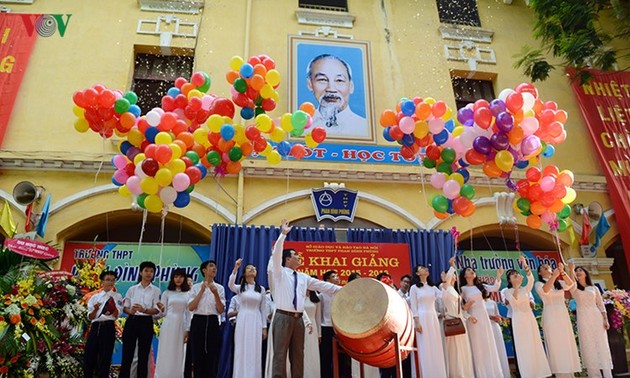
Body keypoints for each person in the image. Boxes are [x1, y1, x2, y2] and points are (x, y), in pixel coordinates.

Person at [270, 219, 342, 378]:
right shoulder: (279, 272)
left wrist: (345, 290)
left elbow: (325, 286)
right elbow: (276, 254)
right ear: (288, 259)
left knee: (298, 356)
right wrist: (283, 234)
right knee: (280, 356)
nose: (299, 257)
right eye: (295, 255)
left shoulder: (304, 277)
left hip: (299, 319)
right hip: (282, 316)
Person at [503, 257, 551, 378]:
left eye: (517, 274)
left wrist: (525, 264)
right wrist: (517, 287)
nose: (516, 275)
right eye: (512, 275)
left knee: (534, 344)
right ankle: (527, 373)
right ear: (509, 279)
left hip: (529, 318)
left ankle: (539, 372)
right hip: (518, 319)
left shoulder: (526, 289)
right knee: (523, 346)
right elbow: (514, 302)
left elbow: (531, 278)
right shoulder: (507, 292)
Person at [534, 262, 581, 378]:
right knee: (555, 343)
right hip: (550, 314)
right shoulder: (538, 283)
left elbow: (571, 284)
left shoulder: (559, 283)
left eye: (548, 266)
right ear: (540, 273)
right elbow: (545, 290)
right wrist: (554, 276)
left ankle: (570, 372)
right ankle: (560, 373)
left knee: (566, 341)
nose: (546, 267)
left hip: (562, 313)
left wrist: (563, 272)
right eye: (543, 267)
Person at [306, 54, 368, 138]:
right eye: (322, 80)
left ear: (351, 86)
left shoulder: (364, 127)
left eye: (339, 80)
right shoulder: (302, 127)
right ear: (310, 84)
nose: (331, 89)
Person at [459, 266, 505, 378]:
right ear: (465, 276)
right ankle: (480, 374)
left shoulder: (481, 286)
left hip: (483, 316)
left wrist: (499, 275)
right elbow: (461, 307)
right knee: (477, 345)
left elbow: (495, 288)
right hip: (473, 318)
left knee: (487, 342)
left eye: (472, 270)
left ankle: (491, 373)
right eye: (468, 270)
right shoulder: (462, 288)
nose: (472, 271)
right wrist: (468, 314)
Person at [570, 266, 613, 378]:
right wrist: (570, 269)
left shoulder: (594, 288)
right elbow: (571, 282)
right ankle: (594, 375)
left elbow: (600, 304)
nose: (578, 272)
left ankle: (608, 374)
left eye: (580, 270)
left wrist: (605, 319)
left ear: (585, 273)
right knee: (588, 344)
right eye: (576, 271)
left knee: (601, 344)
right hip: (583, 317)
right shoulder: (574, 287)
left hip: (596, 316)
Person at [120, 261, 161, 378]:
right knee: (127, 353)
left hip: (146, 322)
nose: (149, 273)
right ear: (140, 272)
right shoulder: (132, 289)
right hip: (132, 320)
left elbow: (156, 309)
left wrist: (145, 310)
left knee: (143, 355)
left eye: (151, 271)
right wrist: (130, 311)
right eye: (146, 271)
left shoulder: (156, 290)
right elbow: (125, 307)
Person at [228, 259, 267, 378]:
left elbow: (263, 309)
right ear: (244, 273)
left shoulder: (261, 289)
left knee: (255, 349)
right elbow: (230, 285)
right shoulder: (240, 288)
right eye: (249, 268)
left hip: (256, 319)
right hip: (243, 319)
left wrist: (264, 327)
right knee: (241, 348)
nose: (252, 269)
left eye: (254, 268)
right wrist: (236, 268)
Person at [188, 260, 226, 378]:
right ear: (204, 270)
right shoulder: (195, 287)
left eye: (215, 267)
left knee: (212, 355)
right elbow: (191, 307)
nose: (214, 269)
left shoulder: (219, 288)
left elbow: (220, 310)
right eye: (211, 266)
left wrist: (215, 293)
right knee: (197, 355)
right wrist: (202, 291)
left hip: (213, 321)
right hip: (198, 321)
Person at [410, 264, 447, 378]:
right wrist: (417, 322)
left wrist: (445, 281)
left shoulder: (433, 288)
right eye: (422, 268)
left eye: (426, 268)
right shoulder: (414, 288)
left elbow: (444, 296)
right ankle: (424, 373)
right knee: (424, 345)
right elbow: (414, 306)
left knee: (435, 344)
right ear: (417, 273)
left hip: (432, 318)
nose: (426, 269)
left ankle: (437, 373)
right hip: (422, 317)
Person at [84, 270, 123, 378]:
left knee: (105, 358)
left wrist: (113, 307)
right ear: (102, 281)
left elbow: (117, 315)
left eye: (112, 280)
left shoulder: (117, 296)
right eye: (107, 280)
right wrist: (95, 310)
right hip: (96, 327)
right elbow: (90, 317)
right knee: (89, 357)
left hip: (108, 327)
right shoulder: (94, 297)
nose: (110, 282)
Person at [155, 268, 191, 378]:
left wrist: (187, 329)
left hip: (181, 324)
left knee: (178, 351)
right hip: (168, 323)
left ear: (184, 278)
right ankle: (162, 374)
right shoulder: (167, 293)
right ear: (172, 278)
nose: (178, 279)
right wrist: (161, 308)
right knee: (165, 349)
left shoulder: (188, 293)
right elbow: (164, 312)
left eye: (180, 277)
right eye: (176, 277)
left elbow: (189, 313)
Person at [442, 258, 474, 378]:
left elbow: (460, 308)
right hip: (451, 320)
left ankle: (465, 373)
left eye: (455, 274)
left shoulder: (455, 291)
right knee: (454, 349)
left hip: (460, 319)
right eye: (452, 275)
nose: (454, 276)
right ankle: (456, 374)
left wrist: (468, 316)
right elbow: (449, 277)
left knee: (462, 347)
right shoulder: (445, 288)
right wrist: (452, 266)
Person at [320, 270, 345, 378]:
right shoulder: (321, 295)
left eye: (337, 276)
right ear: (327, 280)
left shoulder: (342, 294)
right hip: (326, 328)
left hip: (340, 329)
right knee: (326, 356)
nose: (337, 278)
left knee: (341, 357)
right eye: (333, 276)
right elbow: (319, 314)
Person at [484, 293, 510, 378]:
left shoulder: (492, 302)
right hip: (485, 328)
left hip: (495, 327)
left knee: (498, 349)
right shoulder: (479, 303)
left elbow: (497, 314)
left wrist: (499, 319)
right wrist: (490, 317)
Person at [304, 281, 321, 378]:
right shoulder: (299, 297)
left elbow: (318, 318)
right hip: (301, 326)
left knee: (312, 352)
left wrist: (319, 334)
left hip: (313, 327)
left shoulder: (316, 299)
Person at [184, 274, 194, 378]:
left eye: (191, 281)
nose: (189, 283)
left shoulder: (195, 295)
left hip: (192, 327)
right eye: (187, 281)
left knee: (188, 355)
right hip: (180, 325)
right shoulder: (180, 294)